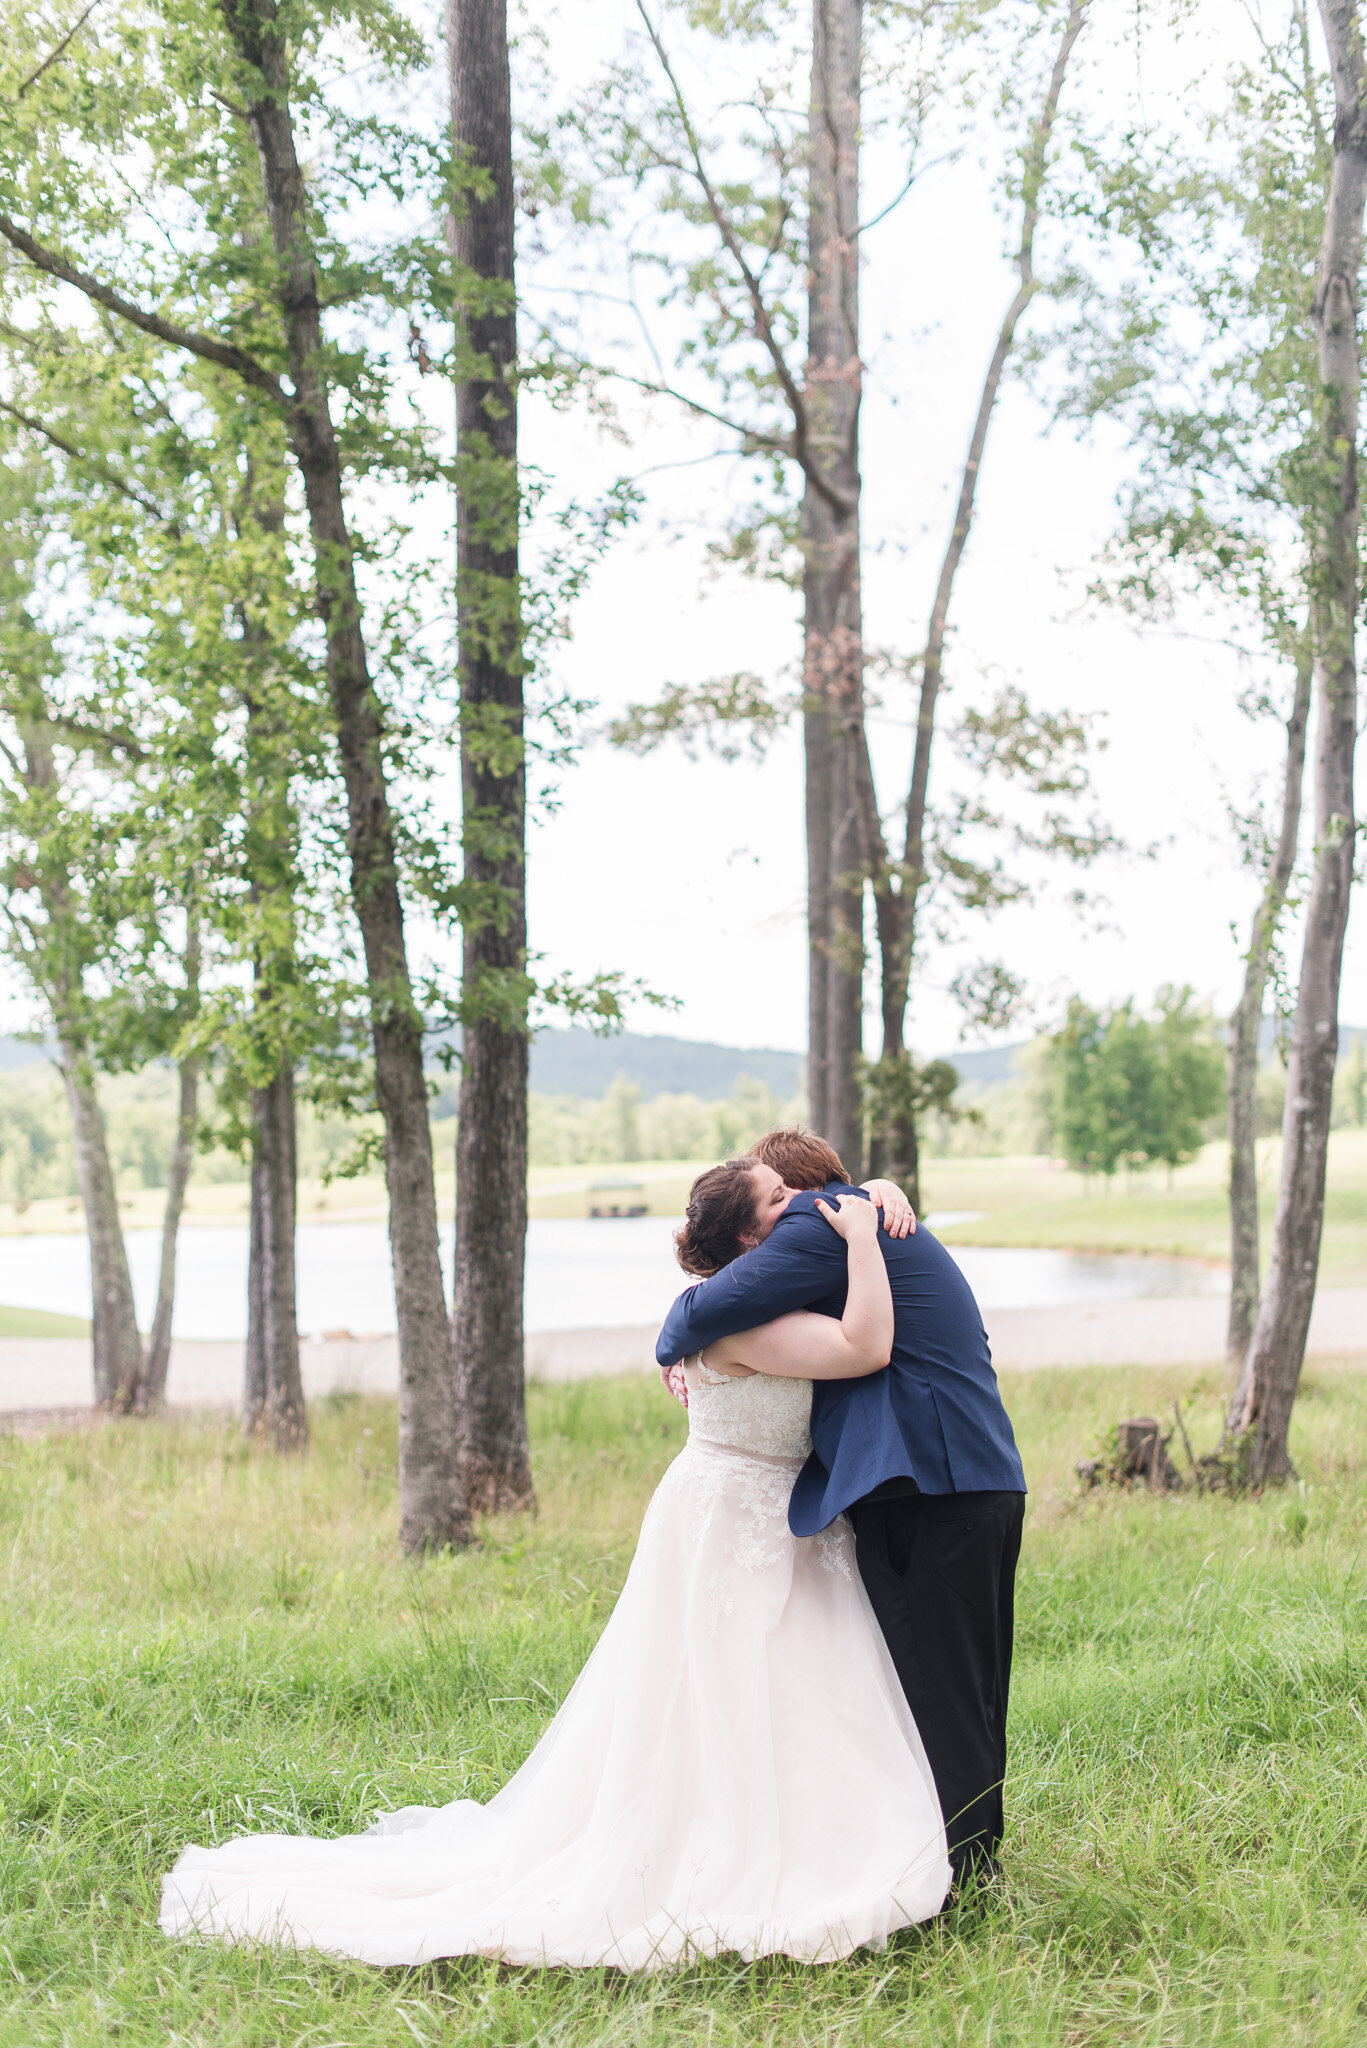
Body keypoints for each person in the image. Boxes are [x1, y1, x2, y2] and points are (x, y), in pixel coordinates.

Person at [160, 1189, 950, 1971]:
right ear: (749, 1239)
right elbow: (864, 1347)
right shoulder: (737, 1322)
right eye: (778, 1199)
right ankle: (717, 1845)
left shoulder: (734, 1307)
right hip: (732, 1514)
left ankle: (816, 1826)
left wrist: (880, 1195)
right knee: (718, 1686)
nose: (802, 1201)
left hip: (780, 1515)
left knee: (799, 1682)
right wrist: (857, 1239)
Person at [657, 1129, 1027, 1891]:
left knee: (934, 1690)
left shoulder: (822, 1225)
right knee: (970, 1687)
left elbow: (702, 1312)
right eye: (776, 1196)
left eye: (784, 1189)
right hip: (979, 1473)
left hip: (924, 1486)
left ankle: (959, 1876)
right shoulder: (863, 1220)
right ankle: (967, 1863)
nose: (796, 1206)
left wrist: (669, 1347)